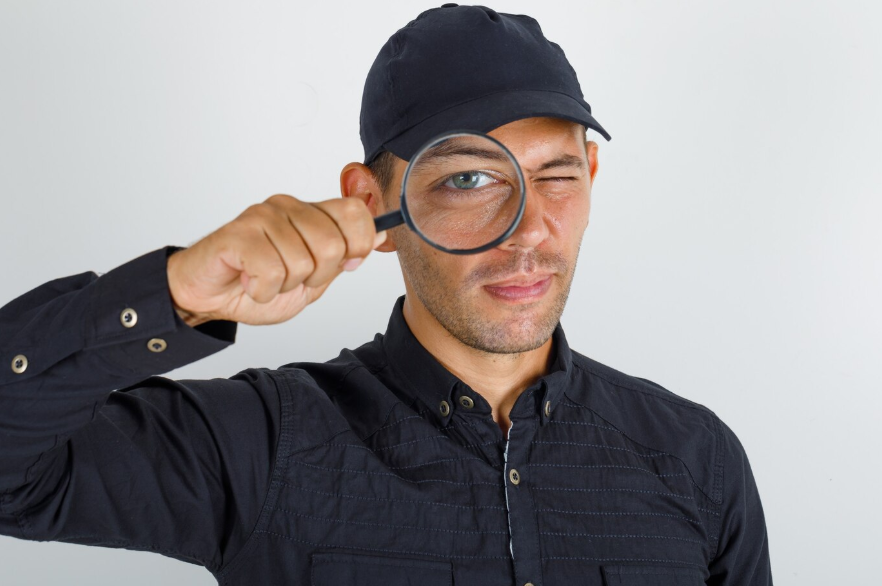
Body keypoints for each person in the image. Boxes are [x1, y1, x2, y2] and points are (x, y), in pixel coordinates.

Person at [0, 4, 772, 585]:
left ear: (592, 179)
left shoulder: (696, 459)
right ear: (372, 202)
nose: (529, 229)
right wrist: (176, 291)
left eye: (556, 176)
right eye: (471, 179)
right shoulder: (262, 446)